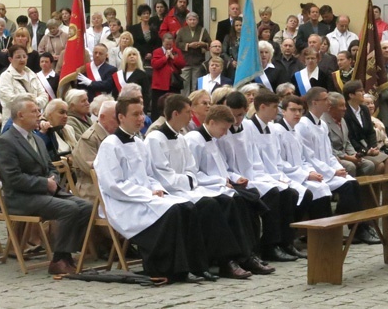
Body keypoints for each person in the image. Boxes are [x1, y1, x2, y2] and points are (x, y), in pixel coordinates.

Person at [145, 94, 274, 277]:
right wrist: (191, 180)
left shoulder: (181, 138)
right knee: (217, 204)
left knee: (237, 200)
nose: (191, 116)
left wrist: (193, 179)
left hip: (191, 188)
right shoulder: (155, 138)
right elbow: (164, 175)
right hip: (174, 191)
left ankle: (245, 255)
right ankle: (225, 260)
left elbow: (190, 168)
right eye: (188, 112)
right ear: (175, 114)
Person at [94, 96, 210, 282]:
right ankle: (168, 267)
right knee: (172, 212)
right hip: (123, 203)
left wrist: (156, 188)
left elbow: (149, 175)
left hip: (146, 196)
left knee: (187, 207)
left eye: (142, 113)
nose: (141, 118)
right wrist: (147, 193)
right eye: (135, 114)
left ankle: (196, 265)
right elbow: (113, 185)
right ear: (121, 117)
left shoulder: (139, 142)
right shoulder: (110, 145)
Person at [0, 93, 92, 275]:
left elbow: (50, 167)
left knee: (86, 207)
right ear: (20, 115)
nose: (39, 114)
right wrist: (44, 183)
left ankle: (65, 254)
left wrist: (53, 179)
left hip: (45, 192)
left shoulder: (38, 139)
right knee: (69, 209)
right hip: (21, 197)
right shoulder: (6, 141)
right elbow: (13, 178)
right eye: (34, 111)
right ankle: (58, 260)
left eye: (39, 110)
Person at [217, 93, 301, 261]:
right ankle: (269, 245)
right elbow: (221, 163)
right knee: (272, 194)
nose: (236, 119)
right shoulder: (222, 132)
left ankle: (285, 242)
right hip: (236, 180)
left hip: (254, 175)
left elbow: (254, 156)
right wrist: (235, 177)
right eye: (233, 115)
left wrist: (266, 176)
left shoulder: (248, 127)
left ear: (246, 110)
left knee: (289, 193)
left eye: (240, 115)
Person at [295, 87, 380, 244]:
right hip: (314, 171)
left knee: (352, 183)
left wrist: (337, 169)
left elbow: (329, 153)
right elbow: (308, 157)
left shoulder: (322, 124)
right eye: (325, 99)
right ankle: (337, 227)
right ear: (314, 102)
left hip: (327, 170)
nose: (328, 102)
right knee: (326, 189)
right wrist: (331, 172)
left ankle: (358, 228)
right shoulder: (303, 125)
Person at [271, 95, 334, 220]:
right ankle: (306, 230)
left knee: (322, 187)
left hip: (300, 174)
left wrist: (311, 171)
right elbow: (279, 163)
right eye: (293, 110)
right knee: (311, 191)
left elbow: (303, 159)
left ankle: (324, 233)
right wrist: (305, 175)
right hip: (286, 176)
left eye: (300, 110)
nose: (297, 113)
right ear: (283, 111)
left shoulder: (296, 131)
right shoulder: (277, 131)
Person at [343, 80, 388, 175]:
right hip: (355, 151)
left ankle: (387, 189)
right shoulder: (345, 112)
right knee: (380, 165)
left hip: (369, 148)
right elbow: (350, 137)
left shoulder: (364, 109)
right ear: (351, 95)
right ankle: (371, 189)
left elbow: (370, 132)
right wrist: (365, 151)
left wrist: (373, 147)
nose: (363, 93)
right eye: (360, 91)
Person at [72, 100, 117, 201]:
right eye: (115, 118)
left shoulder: (116, 135)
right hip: (92, 189)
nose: (119, 121)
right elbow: (93, 170)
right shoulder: (89, 139)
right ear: (102, 118)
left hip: (113, 185)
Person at [322, 92, 375, 176]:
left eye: (345, 105)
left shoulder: (342, 120)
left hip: (346, 154)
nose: (345, 108)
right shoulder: (323, 123)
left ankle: (363, 188)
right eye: (341, 106)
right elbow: (329, 149)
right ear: (331, 108)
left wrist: (354, 155)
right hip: (334, 157)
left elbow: (347, 142)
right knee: (350, 166)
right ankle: (352, 187)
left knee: (369, 165)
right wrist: (348, 157)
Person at [0, 44, 48, 124]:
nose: (22, 60)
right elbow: (8, 99)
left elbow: (44, 95)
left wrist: (34, 102)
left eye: (24, 56)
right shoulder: (6, 76)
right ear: (10, 59)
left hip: (33, 122)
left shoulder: (32, 74)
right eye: (18, 57)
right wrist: (28, 101)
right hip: (14, 122)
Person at [175, 12, 211, 96]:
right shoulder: (182, 31)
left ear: (197, 21)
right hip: (185, 62)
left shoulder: (202, 30)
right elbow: (177, 43)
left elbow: (209, 43)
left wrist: (202, 44)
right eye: (190, 20)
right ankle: (184, 101)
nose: (192, 22)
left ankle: (195, 101)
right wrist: (188, 45)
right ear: (186, 21)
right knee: (184, 85)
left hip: (198, 62)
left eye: (194, 20)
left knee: (196, 85)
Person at [151, 33, 185, 120]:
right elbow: (155, 64)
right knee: (158, 106)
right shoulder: (157, 51)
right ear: (162, 42)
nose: (169, 46)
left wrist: (173, 57)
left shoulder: (177, 51)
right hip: (160, 85)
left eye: (170, 44)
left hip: (173, 84)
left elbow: (182, 64)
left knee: (174, 104)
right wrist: (165, 57)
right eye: (167, 44)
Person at [128, 3, 162, 69]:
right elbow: (133, 43)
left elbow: (157, 44)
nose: (146, 15)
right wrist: (144, 53)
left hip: (152, 59)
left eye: (147, 13)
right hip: (138, 57)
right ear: (140, 15)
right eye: (144, 14)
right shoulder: (133, 28)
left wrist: (151, 54)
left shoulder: (154, 29)